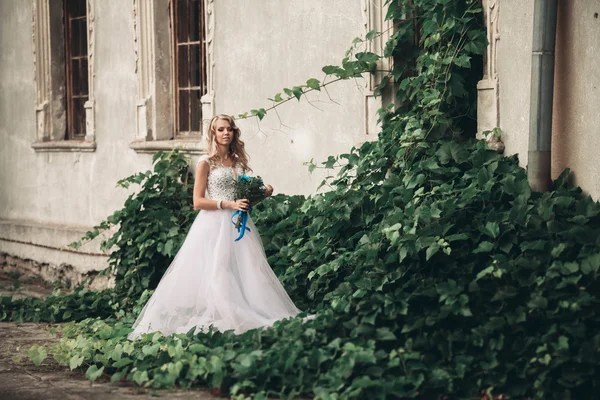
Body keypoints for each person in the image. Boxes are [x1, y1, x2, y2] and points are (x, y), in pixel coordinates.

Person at [128, 114, 302, 339]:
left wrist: (263, 194)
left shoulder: (238, 162)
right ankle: (222, 316)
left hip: (237, 223)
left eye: (229, 129)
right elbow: (197, 202)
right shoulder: (205, 162)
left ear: (234, 132)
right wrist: (227, 204)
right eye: (220, 129)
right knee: (216, 269)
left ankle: (236, 313)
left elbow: (243, 201)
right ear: (213, 134)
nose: (226, 133)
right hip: (213, 223)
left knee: (243, 270)